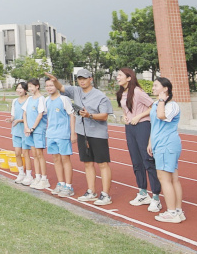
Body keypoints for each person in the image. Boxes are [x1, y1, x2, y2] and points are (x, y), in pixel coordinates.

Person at [55, 68, 114, 206]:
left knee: (102, 164)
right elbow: (61, 87)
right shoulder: (76, 91)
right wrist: (54, 80)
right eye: (79, 78)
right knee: (87, 163)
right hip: (82, 133)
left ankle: (105, 194)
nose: (81, 81)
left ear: (90, 79)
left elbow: (104, 116)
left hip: (97, 134)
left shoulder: (100, 96)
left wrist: (90, 115)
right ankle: (91, 191)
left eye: (84, 78)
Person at [115, 67, 162, 212]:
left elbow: (153, 106)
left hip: (142, 126)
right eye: (117, 75)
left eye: (120, 75)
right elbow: (125, 108)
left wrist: (138, 116)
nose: (117, 77)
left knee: (147, 160)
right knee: (136, 161)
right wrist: (125, 116)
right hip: (130, 128)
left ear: (129, 78)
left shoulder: (137, 91)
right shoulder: (121, 93)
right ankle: (142, 192)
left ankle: (156, 197)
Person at [148, 76, 184, 223]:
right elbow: (154, 124)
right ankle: (177, 210)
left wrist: (162, 100)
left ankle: (172, 212)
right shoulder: (157, 103)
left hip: (167, 144)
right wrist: (150, 142)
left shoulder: (171, 105)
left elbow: (161, 116)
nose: (153, 88)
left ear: (165, 88)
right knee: (172, 178)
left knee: (165, 179)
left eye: (156, 86)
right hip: (159, 143)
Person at [43, 75, 76, 198]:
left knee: (65, 159)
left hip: (63, 134)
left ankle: (68, 186)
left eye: (51, 85)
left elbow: (72, 115)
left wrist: (73, 133)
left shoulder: (64, 99)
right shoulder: (46, 100)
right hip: (51, 134)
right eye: (47, 86)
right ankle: (61, 183)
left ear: (56, 86)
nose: (49, 88)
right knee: (56, 159)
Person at [23, 78, 49, 188]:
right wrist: (26, 127)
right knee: (34, 154)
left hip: (37, 130)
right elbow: (24, 113)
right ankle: (37, 177)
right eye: (28, 87)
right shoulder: (29, 99)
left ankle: (44, 178)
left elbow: (40, 115)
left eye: (31, 87)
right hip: (29, 130)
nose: (29, 89)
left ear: (37, 86)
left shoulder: (41, 99)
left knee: (39, 154)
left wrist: (33, 128)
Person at [6, 83, 29, 183]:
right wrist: (11, 119)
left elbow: (30, 117)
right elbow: (13, 115)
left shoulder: (29, 100)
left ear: (25, 90)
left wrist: (20, 121)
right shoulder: (15, 101)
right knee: (17, 153)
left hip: (25, 130)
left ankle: (29, 175)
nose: (19, 90)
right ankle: (21, 173)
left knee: (26, 153)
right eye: (17, 88)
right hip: (16, 130)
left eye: (21, 88)